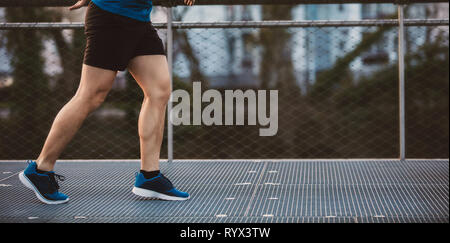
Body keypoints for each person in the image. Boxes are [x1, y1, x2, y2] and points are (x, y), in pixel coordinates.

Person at [18, 0, 195, 204]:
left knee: (159, 91)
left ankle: (150, 177)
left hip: (138, 19)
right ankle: (40, 169)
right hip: (112, 18)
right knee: (90, 95)